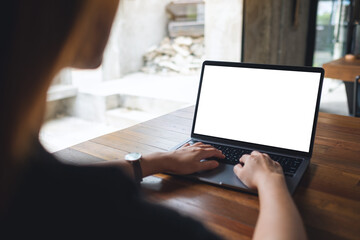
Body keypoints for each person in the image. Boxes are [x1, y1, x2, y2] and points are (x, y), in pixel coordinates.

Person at [0, 0, 307, 239]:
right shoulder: (114, 217)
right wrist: (271, 181)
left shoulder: (24, 177)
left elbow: (54, 185)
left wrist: (155, 161)